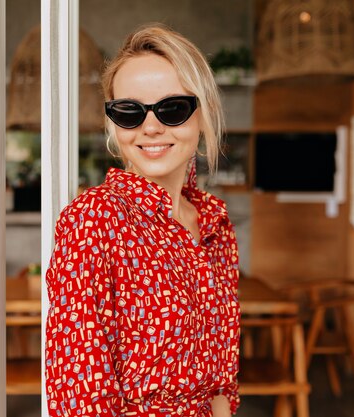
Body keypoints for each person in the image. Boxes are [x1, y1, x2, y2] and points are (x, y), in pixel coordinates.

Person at [45, 24, 240, 417]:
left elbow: (222, 377)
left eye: (172, 108)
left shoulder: (214, 223)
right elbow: (82, 394)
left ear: (203, 114)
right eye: (129, 112)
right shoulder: (93, 220)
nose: (151, 127)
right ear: (113, 124)